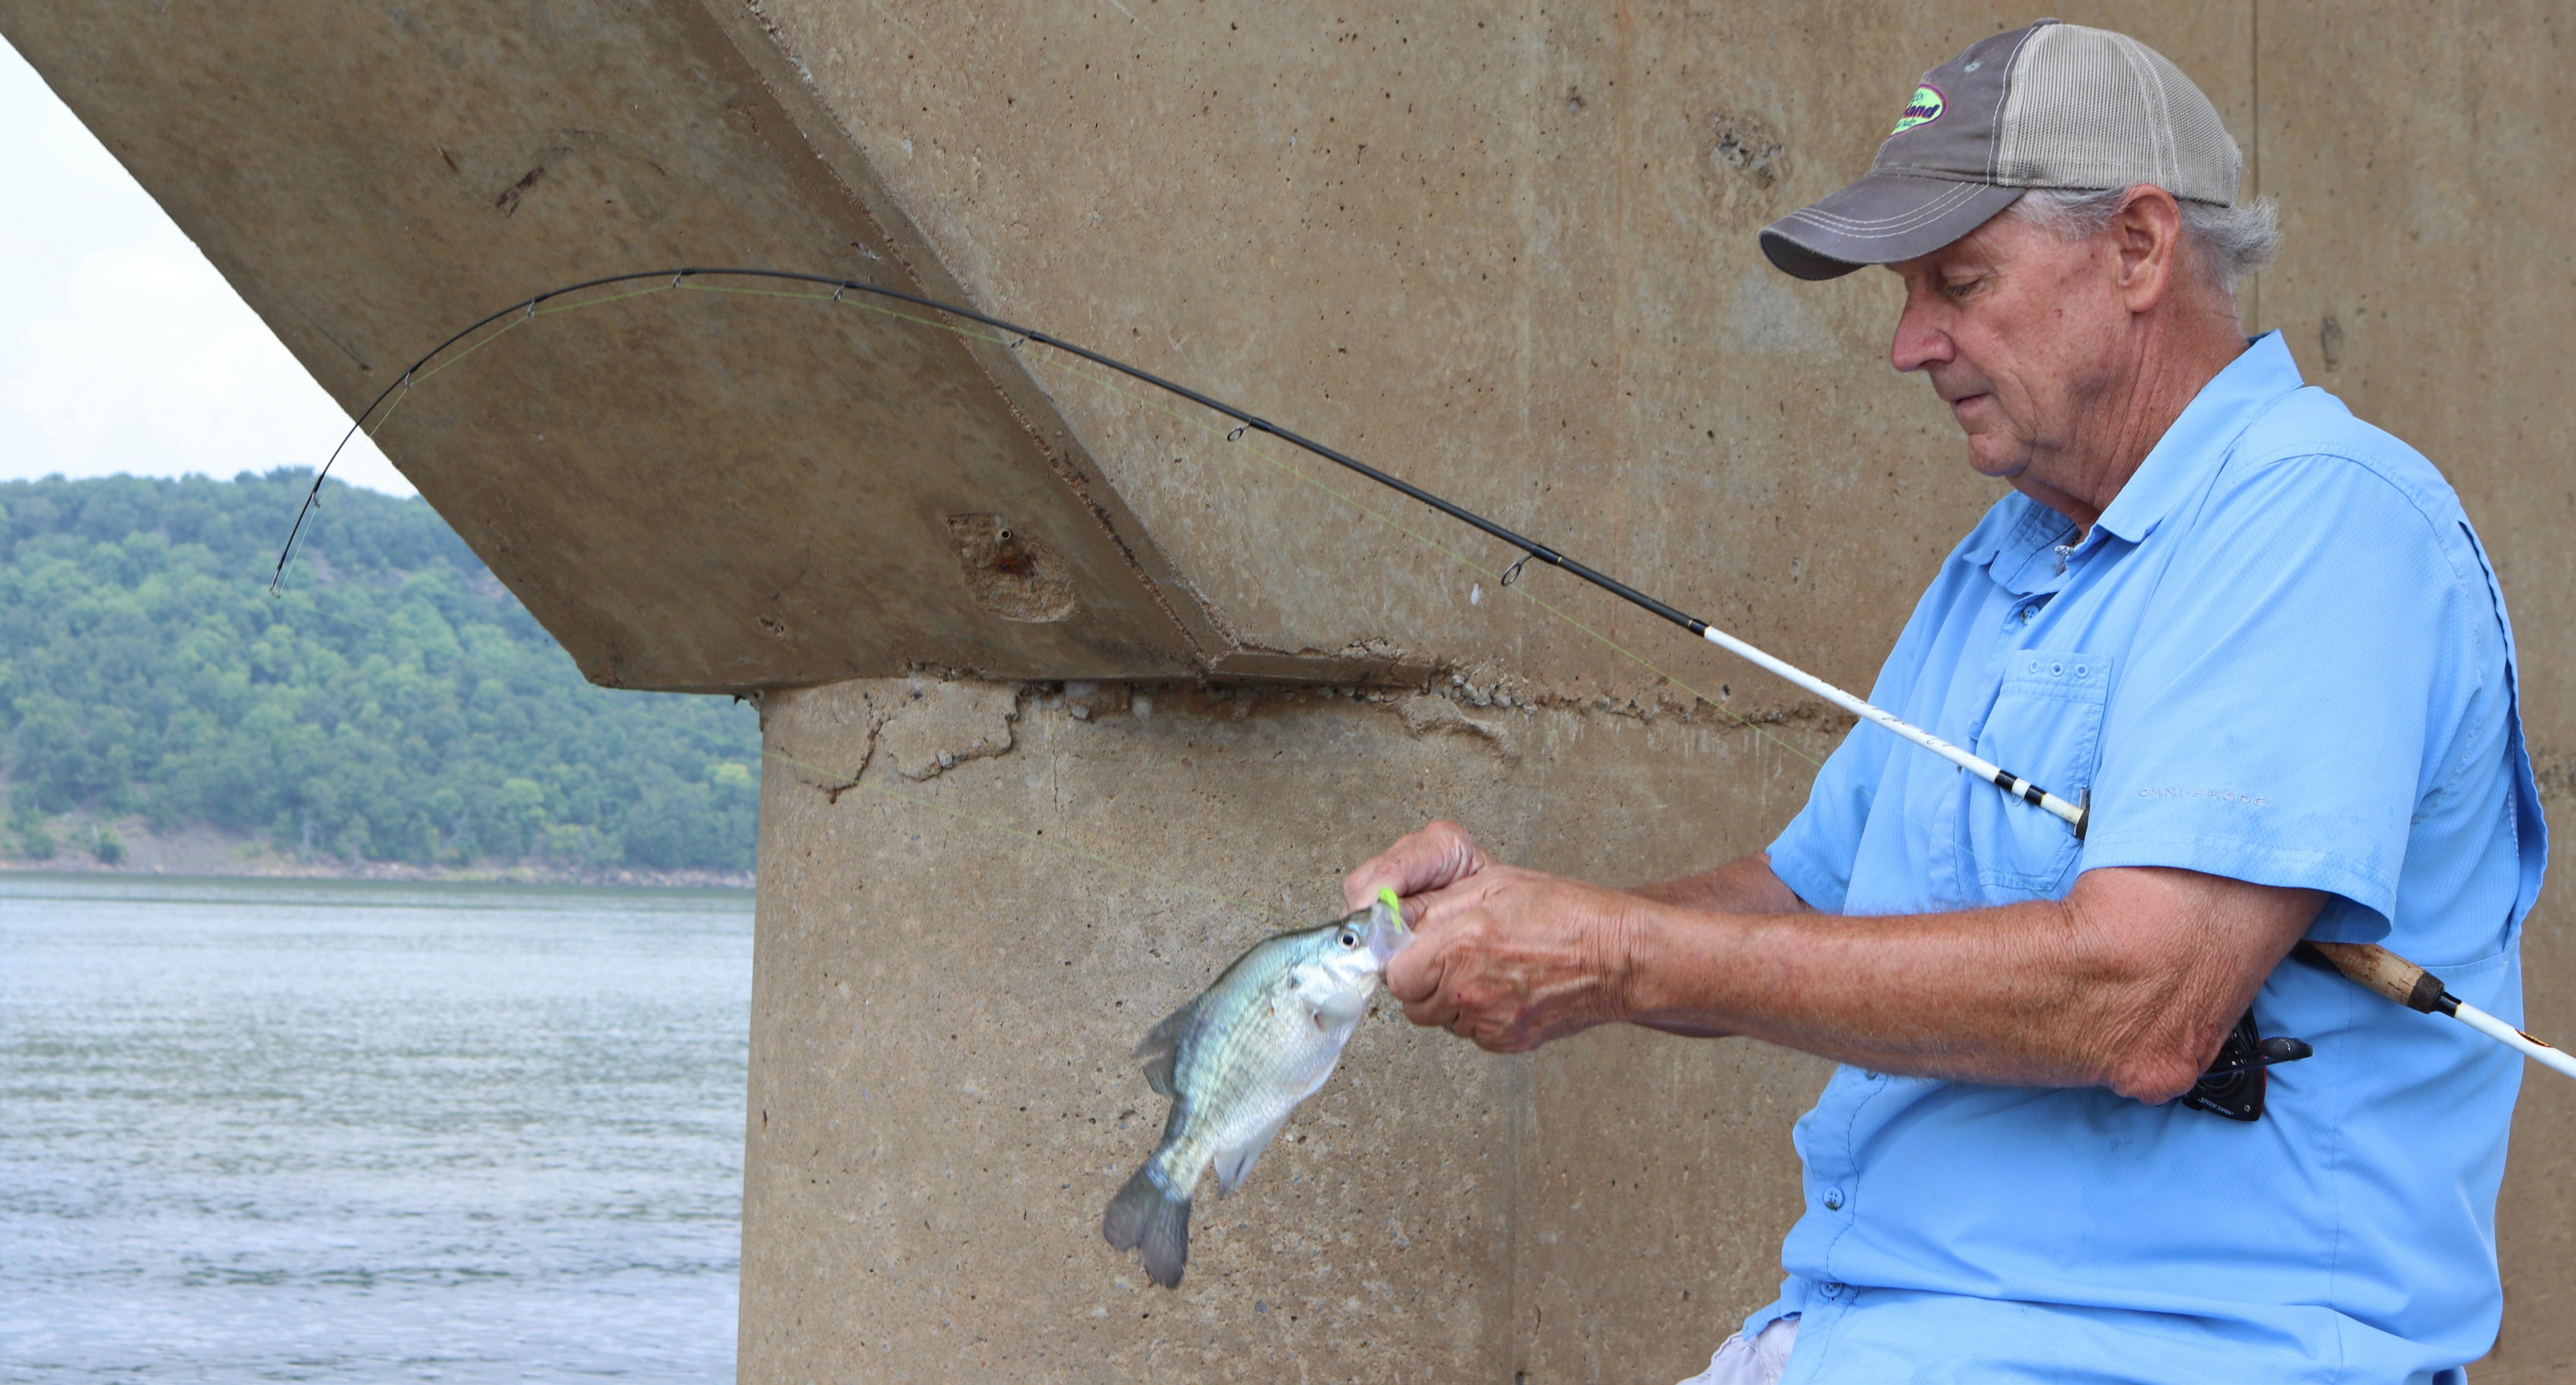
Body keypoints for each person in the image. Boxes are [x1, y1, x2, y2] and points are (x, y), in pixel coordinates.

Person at [1344, 20, 2545, 1385]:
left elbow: (2141, 1006)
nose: (1911, 343)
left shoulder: (2322, 520)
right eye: (1906, 293)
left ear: (2139, 249)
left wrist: (1618, 952)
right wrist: (1528, 921)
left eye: (1958, 281)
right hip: (1858, 1334)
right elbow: (1810, 897)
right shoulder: (2007, 556)